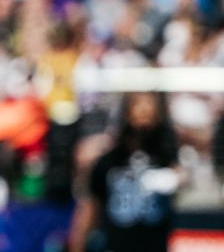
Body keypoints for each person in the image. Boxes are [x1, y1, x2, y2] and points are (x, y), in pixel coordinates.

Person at [69, 92, 180, 252]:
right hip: (117, 243)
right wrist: (78, 245)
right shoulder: (109, 161)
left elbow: (184, 178)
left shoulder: (167, 157)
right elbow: (90, 208)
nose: (144, 111)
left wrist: (174, 177)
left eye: (150, 106)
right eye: (138, 105)